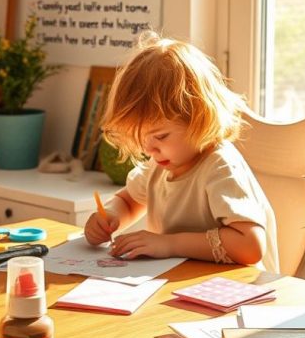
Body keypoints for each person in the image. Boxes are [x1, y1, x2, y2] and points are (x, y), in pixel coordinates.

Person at [84, 31, 279, 270]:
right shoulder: (161, 162)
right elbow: (129, 200)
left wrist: (168, 244)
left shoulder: (220, 166)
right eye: (141, 137)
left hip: (236, 293)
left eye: (160, 136)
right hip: (181, 286)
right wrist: (110, 216)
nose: (149, 148)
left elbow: (250, 246)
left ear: (200, 118)